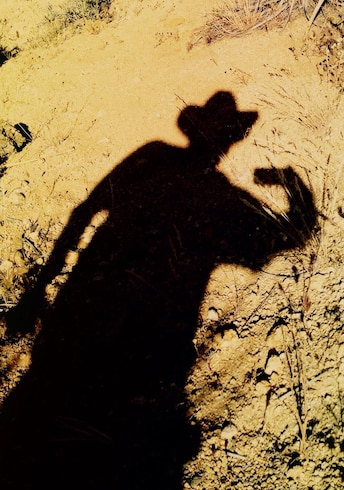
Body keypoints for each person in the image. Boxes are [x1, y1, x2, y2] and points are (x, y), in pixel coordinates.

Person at [0, 91, 317, 490]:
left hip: (81, 309)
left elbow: (86, 211)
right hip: (145, 341)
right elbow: (295, 235)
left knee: (45, 409)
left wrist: (43, 284)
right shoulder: (217, 192)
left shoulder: (157, 157)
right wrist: (288, 181)